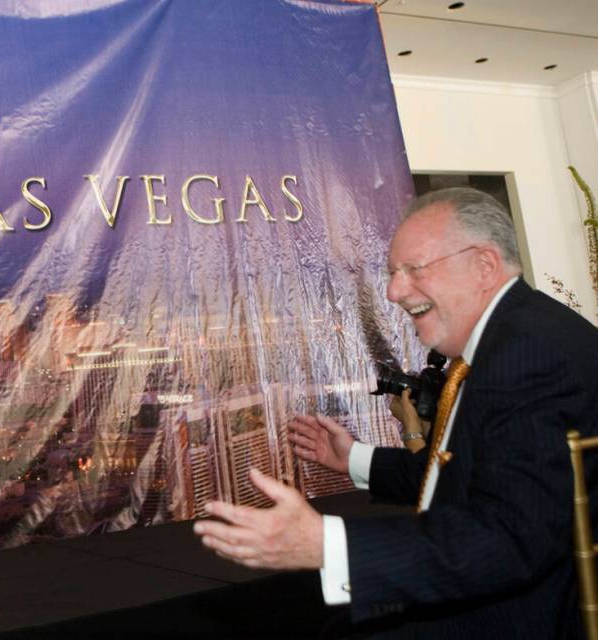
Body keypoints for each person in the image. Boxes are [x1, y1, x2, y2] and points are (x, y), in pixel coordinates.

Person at [193, 187, 598, 637]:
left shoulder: (528, 355)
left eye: (413, 269)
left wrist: (326, 546)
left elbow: (511, 538)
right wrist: (352, 458)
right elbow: (472, 473)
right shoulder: (514, 337)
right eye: (391, 273)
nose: (392, 291)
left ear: (484, 265)